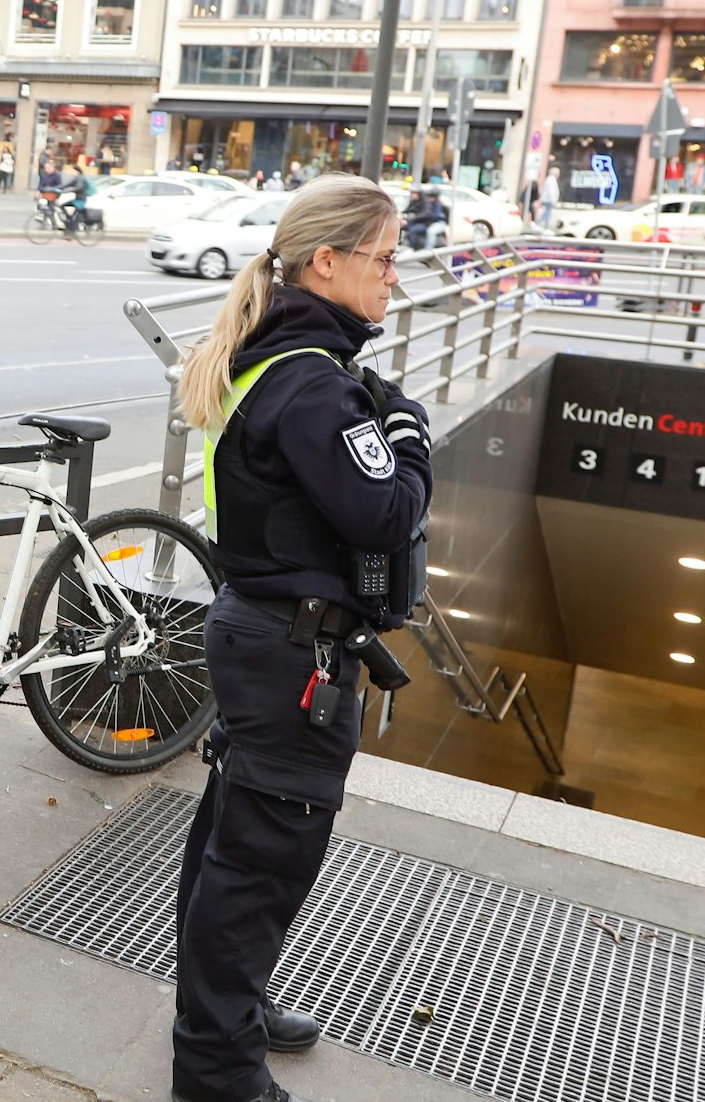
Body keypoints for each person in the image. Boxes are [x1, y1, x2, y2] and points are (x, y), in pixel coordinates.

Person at [170, 174, 433, 1102]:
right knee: (258, 867)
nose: (395, 276)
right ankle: (216, 1072)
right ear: (328, 261)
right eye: (385, 257)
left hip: (260, 635)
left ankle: (223, 1019)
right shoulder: (314, 384)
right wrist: (409, 435)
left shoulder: (278, 357)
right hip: (292, 656)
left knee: (231, 847)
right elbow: (389, 512)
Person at [539, 166, 561, 232]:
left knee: (547, 213)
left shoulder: (550, 179)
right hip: (548, 200)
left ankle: (544, 226)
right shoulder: (551, 180)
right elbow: (551, 191)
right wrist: (553, 201)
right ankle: (544, 226)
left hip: (548, 199)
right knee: (547, 214)